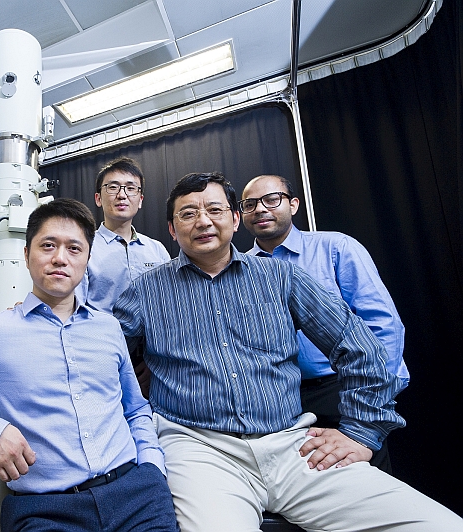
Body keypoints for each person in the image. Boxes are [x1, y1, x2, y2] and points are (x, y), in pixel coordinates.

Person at [112, 172, 463, 531]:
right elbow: (100, 355)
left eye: (214, 209)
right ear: (172, 230)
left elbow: (358, 344)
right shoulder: (145, 291)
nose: (203, 220)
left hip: (292, 445)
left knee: (438, 524)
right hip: (200, 450)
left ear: (235, 219)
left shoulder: (281, 276)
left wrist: (361, 432)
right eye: (187, 214)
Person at [0, 198, 178, 532]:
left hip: (136, 495)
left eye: (74, 248)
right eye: (48, 245)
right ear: (27, 254)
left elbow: (135, 410)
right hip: (47, 511)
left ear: (87, 259)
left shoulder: (109, 328)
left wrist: (152, 466)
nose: (60, 258)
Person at [240, 174, 408, 473]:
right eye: (250, 204)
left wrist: (377, 395)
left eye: (271, 199)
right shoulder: (240, 269)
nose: (261, 209)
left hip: (344, 388)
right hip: (280, 401)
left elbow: (383, 325)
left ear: (293, 204)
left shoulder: (335, 248)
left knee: (367, 488)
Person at [75, 157, 171, 313]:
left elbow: (169, 299)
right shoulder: (83, 246)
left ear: (140, 201)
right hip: (102, 335)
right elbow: (75, 306)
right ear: (98, 199)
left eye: (131, 188)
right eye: (113, 187)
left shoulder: (157, 250)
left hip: (153, 336)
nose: (122, 195)